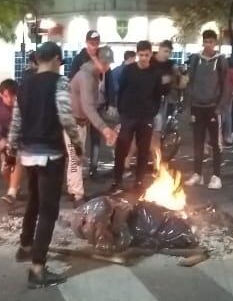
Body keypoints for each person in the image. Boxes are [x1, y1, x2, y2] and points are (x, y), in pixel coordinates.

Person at [6, 41, 83, 288]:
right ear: (57, 59)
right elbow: (65, 115)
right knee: (48, 211)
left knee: (34, 201)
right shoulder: (59, 82)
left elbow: (16, 120)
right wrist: (77, 143)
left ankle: (25, 246)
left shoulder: (24, 84)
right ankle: (38, 269)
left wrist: (11, 148)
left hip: (28, 153)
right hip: (50, 153)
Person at [112, 41, 165, 194]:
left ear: (150, 55)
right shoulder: (128, 70)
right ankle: (117, 181)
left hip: (146, 117)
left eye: (146, 55)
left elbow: (158, 95)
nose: (143, 58)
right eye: (141, 55)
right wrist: (121, 111)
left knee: (143, 151)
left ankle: (139, 181)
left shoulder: (155, 73)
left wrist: (152, 112)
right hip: (128, 116)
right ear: (137, 55)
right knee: (122, 149)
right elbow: (120, 91)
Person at [70, 46, 118, 196]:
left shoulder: (96, 74)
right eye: (104, 62)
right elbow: (88, 106)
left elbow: (92, 107)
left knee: (75, 158)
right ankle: (77, 194)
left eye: (108, 63)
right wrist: (104, 128)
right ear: (95, 59)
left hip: (81, 121)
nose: (106, 66)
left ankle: (73, 189)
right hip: (72, 121)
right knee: (75, 159)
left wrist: (108, 126)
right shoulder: (86, 76)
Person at [184, 29, 228, 190]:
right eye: (206, 41)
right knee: (197, 142)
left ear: (215, 43)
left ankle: (216, 176)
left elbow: (225, 85)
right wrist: (189, 106)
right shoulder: (196, 59)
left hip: (213, 108)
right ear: (202, 42)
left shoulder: (221, 60)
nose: (208, 45)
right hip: (197, 107)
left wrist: (220, 106)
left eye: (211, 42)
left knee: (216, 143)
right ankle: (198, 174)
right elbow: (190, 83)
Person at [0, 79, 24, 203]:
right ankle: (14, 186)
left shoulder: (22, 104)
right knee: (5, 169)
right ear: (0, 95)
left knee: (17, 161)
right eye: (5, 96)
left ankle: (12, 192)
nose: (9, 99)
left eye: (12, 96)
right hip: (4, 140)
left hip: (19, 140)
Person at [151, 40, 180, 155]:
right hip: (150, 99)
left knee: (159, 129)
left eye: (169, 52)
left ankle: (155, 156)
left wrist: (176, 77)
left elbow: (177, 79)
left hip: (165, 99)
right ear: (160, 49)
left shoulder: (170, 64)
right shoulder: (151, 61)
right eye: (165, 51)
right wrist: (161, 80)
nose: (167, 54)